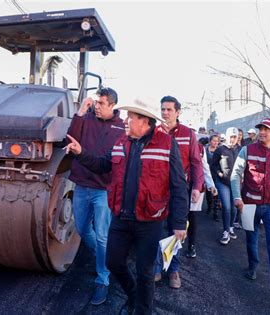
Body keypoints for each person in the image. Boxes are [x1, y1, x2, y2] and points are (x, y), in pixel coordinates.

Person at [65, 97, 189, 315]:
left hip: (150, 221)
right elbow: (102, 165)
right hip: (121, 217)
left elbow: (178, 185)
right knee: (113, 262)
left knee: (145, 272)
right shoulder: (121, 142)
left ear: (145, 122)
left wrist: (179, 223)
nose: (126, 121)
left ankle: (143, 310)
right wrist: (80, 153)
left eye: (131, 118)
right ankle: (133, 295)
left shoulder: (167, 144)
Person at [66, 87, 125, 305]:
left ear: (112, 105)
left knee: (102, 235)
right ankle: (105, 258)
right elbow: (70, 137)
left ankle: (103, 278)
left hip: (103, 189)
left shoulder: (122, 128)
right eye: (96, 103)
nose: (97, 106)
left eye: (101, 103)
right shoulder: (87, 118)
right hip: (82, 184)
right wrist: (81, 112)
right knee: (82, 229)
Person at [230, 117, 270, 301]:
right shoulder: (247, 150)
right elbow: (236, 174)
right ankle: (252, 266)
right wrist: (236, 196)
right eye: (261, 129)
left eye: (266, 129)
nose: (262, 132)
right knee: (251, 238)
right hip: (249, 204)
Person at [154, 95, 204, 289]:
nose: (165, 113)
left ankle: (174, 269)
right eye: (163, 109)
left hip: (180, 191)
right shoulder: (154, 131)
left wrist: (198, 187)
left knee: (177, 231)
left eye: (169, 110)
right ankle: (157, 268)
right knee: (157, 228)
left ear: (178, 112)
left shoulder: (188, 134)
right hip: (157, 190)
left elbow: (196, 162)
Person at [186, 134, 218, 258]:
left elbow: (205, 168)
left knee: (192, 216)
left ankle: (191, 245)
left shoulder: (200, 149)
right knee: (179, 216)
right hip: (181, 186)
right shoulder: (178, 145)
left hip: (197, 187)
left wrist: (211, 185)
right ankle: (174, 246)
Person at [210, 127, 241, 245]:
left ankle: (231, 227)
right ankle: (226, 231)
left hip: (236, 182)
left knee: (234, 208)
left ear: (238, 138)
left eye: (235, 137)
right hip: (222, 182)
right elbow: (213, 165)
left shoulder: (241, 149)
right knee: (227, 207)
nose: (232, 139)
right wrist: (219, 173)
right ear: (226, 137)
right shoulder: (220, 149)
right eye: (231, 137)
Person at [205, 134, 221, 221]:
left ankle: (216, 212)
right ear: (210, 141)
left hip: (216, 174)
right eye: (214, 140)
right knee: (208, 193)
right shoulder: (205, 149)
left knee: (216, 193)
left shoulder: (220, 150)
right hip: (207, 174)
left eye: (217, 141)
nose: (215, 142)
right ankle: (209, 206)